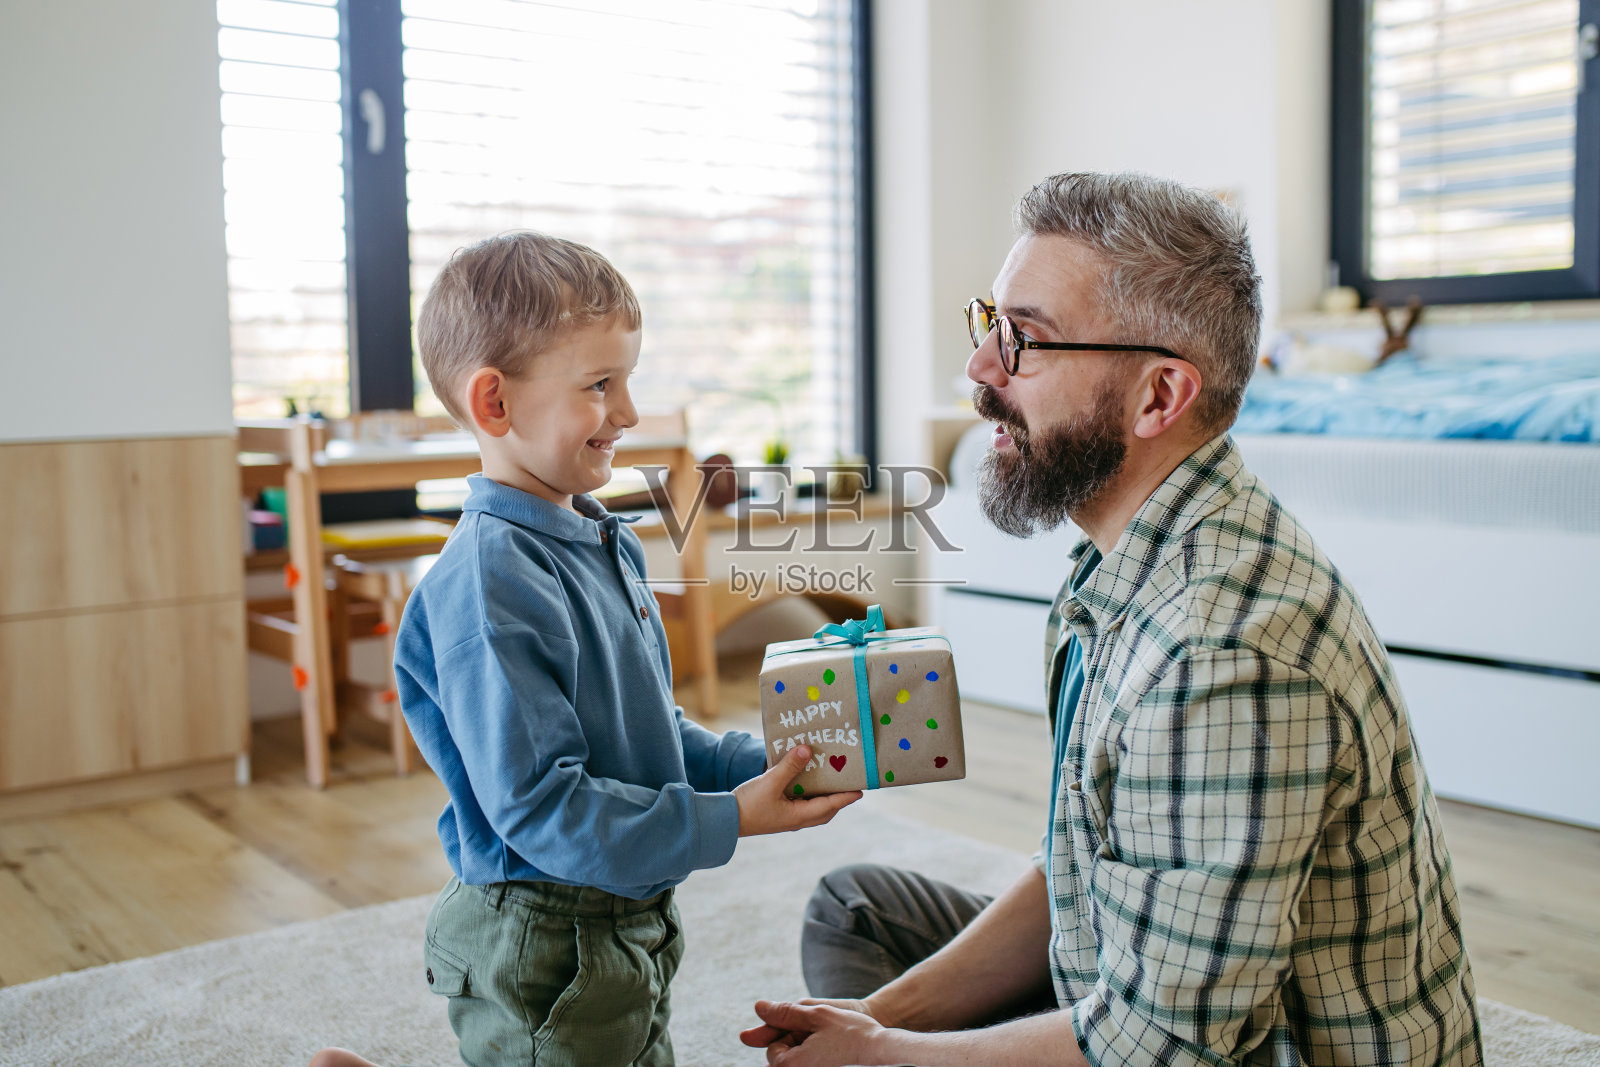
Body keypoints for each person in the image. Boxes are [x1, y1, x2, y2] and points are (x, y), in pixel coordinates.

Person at [741, 173, 1482, 1066]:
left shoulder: (1223, 652)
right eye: (992, 324)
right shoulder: (1123, 557)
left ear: (1159, 397)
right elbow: (1083, 868)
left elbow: (1164, 1044)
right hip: (1142, 996)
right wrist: (881, 1020)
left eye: (1027, 341)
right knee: (855, 908)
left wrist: (889, 1056)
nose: (981, 369)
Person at [311, 232, 860, 1067]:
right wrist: (728, 818)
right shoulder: (491, 583)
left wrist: (764, 762)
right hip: (546, 934)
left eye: (627, 380)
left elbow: (652, 735)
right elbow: (540, 808)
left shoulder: (603, 540)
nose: (629, 412)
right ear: (494, 404)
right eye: (601, 385)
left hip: (621, 906)